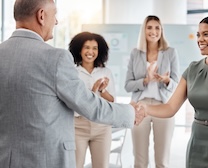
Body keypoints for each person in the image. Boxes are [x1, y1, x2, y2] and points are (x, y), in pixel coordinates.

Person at [0, 0, 144, 168]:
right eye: (54, 15)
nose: (56, 21)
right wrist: (130, 113)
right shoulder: (55, 58)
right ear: (41, 16)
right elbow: (89, 105)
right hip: (48, 161)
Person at [135, 15, 208, 168]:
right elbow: (170, 108)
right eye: (198, 34)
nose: (200, 39)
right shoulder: (193, 69)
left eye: (206, 34)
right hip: (197, 146)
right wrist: (145, 108)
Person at [125, 15, 180, 168]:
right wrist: (145, 80)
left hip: (163, 107)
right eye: (149, 27)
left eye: (157, 27)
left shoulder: (170, 52)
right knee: (140, 160)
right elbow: (128, 85)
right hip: (140, 106)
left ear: (161, 30)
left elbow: (176, 84)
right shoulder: (135, 53)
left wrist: (166, 80)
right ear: (144, 30)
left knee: (162, 161)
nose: (153, 31)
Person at [69, 32, 115, 168]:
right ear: (79, 50)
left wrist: (102, 90)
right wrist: (94, 90)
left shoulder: (105, 72)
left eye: (94, 48)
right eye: (86, 47)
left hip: (101, 126)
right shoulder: (73, 72)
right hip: (78, 126)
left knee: (101, 165)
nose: (90, 51)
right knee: (75, 165)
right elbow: (73, 101)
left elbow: (112, 100)